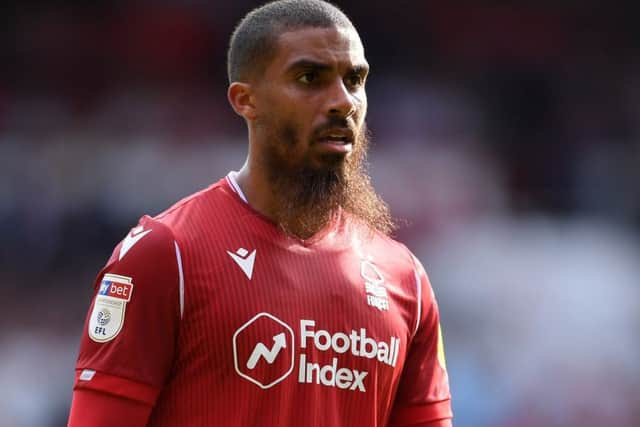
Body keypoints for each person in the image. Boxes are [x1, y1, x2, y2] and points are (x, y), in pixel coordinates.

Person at [67, 1, 453, 426]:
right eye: (310, 78)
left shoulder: (405, 279)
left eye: (354, 80)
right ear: (245, 100)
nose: (343, 102)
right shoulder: (166, 255)